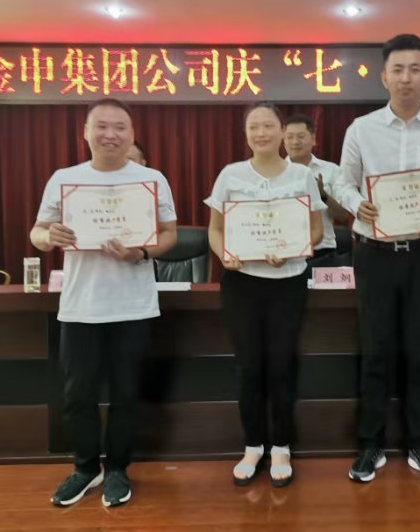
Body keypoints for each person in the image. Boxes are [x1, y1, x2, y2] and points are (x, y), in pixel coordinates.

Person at [30, 98, 178, 507]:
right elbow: (37, 232)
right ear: (85, 132)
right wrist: (49, 237)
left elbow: (169, 234)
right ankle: (85, 468)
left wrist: (141, 252)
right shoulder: (65, 179)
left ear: (132, 134)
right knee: (78, 395)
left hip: (133, 305)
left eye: (119, 127)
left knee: (126, 395)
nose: (110, 134)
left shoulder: (151, 179)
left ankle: (117, 469)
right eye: (101, 126)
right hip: (81, 305)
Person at [337, 34, 420, 486]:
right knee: (375, 351)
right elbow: (343, 182)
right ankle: (370, 444)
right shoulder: (361, 128)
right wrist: (357, 204)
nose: (406, 78)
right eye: (398, 69)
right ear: (384, 77)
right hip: (374, 254)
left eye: (415, 69)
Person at [205, 103, 325, 488]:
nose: (261, 133)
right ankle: (253, 445)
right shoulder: (231, 174)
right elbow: (215, 229)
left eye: (268, 126)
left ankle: (282, 446)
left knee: (282, 365)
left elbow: (316, 230)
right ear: (246, 133)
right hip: (242, 283)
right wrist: (225, 254)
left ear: (281, 132)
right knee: (248, 366)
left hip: (287, 281)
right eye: (254, 127)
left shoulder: (301, 175)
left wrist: (293, 248)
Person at [283, 113, 349, 272]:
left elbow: (343, 216)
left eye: (301, 136)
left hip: (323, 255)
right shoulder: (274, 173)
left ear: (313, 139)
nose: (295, 142)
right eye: (289, 137)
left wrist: (322, 195)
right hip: (286, 254)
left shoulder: (331, 170)